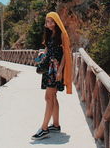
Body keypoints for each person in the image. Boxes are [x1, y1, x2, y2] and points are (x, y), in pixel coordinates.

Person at [31, 11, 73, 140]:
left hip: (55, 70)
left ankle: (44, 129)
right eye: (47, 21)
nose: (48, 24)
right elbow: (48, 50)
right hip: (49, 69)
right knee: (52, 97)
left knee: (48, 97)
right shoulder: (49, 35)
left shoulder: (62, 35)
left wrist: (60, 71)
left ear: (56, 22)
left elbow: (66, 54)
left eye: (51, 21)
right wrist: (42, 54)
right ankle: (55, 124)